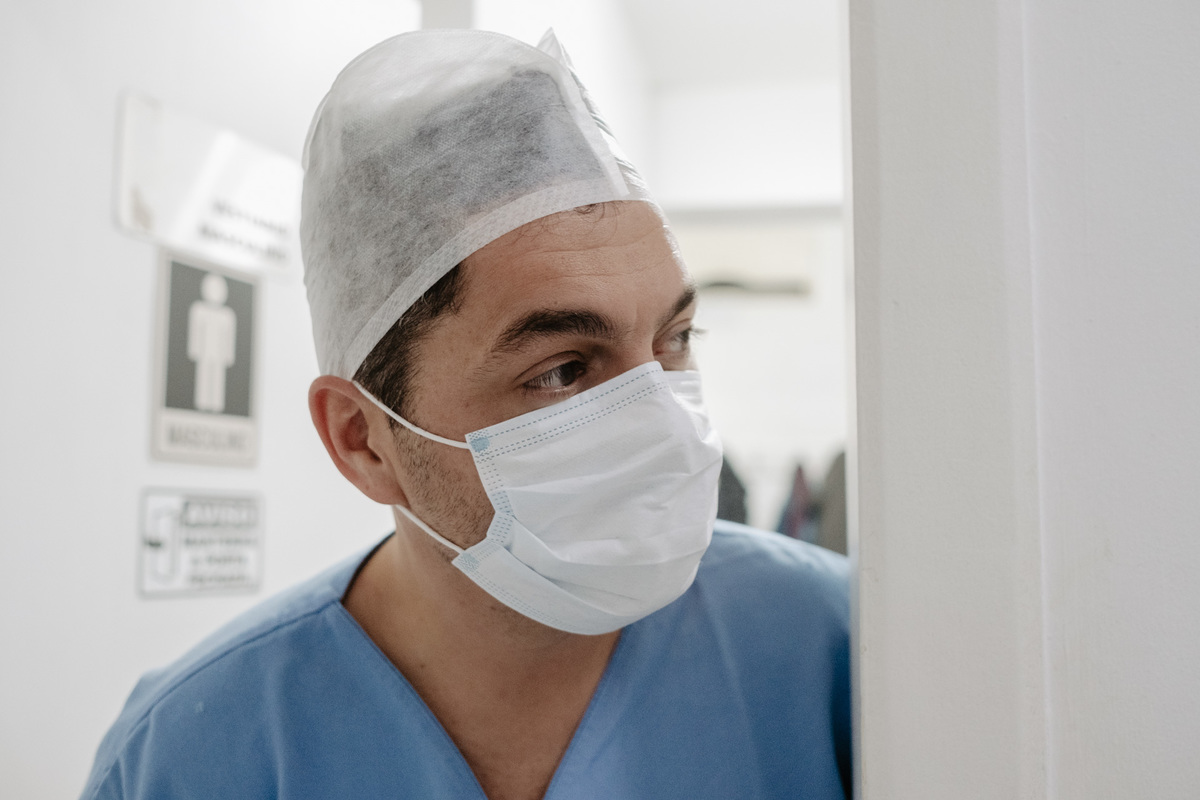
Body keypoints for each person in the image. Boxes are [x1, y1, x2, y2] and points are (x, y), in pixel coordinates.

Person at [81, 29, 850, 800]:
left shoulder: (838, 649)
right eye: (561, 371)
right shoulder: (190, 755)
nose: (668, 426)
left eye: (674, 340)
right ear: (362, 440)